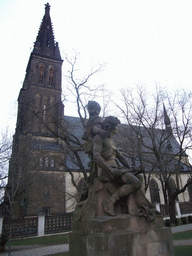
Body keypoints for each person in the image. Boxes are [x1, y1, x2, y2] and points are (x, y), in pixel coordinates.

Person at [92, 116, 143, 216]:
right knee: (135, 182)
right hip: (106, 171)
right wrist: (110, 170)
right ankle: (110, 201)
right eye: (116, 126)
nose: (118, 128)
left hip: (116, 169)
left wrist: (132, 168)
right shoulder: (99, 138)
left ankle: (134, 207)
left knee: (139, 177)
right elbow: (96, 156)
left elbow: (121, 157)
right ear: (111, 127)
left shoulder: (111, 141)